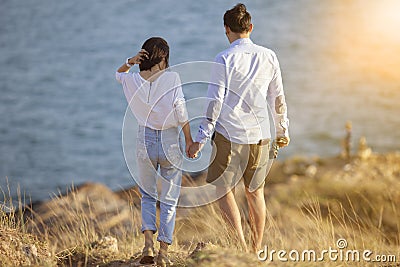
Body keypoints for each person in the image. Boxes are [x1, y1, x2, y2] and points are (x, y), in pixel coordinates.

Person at [188, 4, 290, 252]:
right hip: (262, 136)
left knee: (223, 190)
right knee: (256, 193)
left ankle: (241, 245)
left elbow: (215, 103)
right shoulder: (269, 56)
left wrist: (200, 140)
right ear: (250, 28)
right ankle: (255, 250)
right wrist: (282, 131)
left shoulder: (224, 58)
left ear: (226, 30)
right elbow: (277, 98)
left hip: (229, 136)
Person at [116, 37, 193, 266]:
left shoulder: (131, 81)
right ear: (164, 58)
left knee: (148, 195)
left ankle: (148, 245)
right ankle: (163, 252)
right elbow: (180, 110)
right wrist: (189, 140)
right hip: (169, 141)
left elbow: (117, 74)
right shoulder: (172, 77)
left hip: (144, 141)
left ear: (144, 57)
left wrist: (129, 61)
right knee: (169, 200)